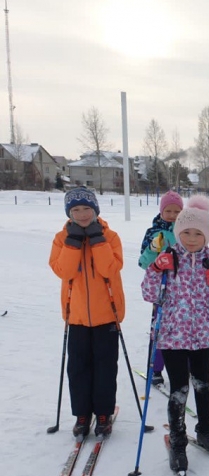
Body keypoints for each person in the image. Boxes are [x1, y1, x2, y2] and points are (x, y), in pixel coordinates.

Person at [141, 196, 209, 471]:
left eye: (198, 233)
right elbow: (148, 294)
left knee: (203, 384)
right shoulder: (168, 257)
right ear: (177, 232)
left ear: (206, 234)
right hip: (172, 335)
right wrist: (157, 269)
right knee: (179, 388)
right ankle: (179, 441)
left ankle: (204, 430)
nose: (192, 239)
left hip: (203, 333)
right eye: (186, 233)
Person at [49, 187, 125, 437]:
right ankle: (82, 414)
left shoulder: (110, 236)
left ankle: (103, 413)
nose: (82, 214)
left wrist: (97, 240)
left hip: (107, 315)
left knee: (105, 367)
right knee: (78, 368)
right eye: (75, 210)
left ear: (95, 210)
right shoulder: (61, 238)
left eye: (86, 208)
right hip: (77, 316)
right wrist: (72, 244)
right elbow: (63, 271)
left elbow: (110, 269)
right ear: (69, 213)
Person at [139, 190, 183, 385]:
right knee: (160, 329)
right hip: (162, 289)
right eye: (169, 211)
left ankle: (187, 365)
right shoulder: (153, 232)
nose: (173, 215)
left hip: (184, 288)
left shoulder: (186, 230)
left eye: (177, 211)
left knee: (185, 327)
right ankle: (155, 368)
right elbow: (143, 262)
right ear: (161, 211)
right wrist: (153, 249)